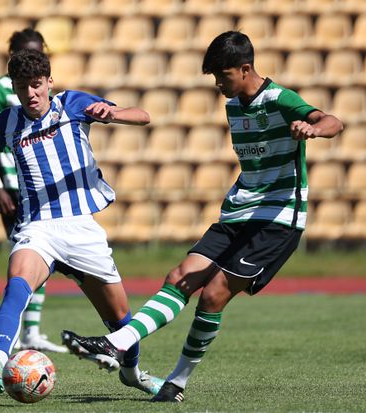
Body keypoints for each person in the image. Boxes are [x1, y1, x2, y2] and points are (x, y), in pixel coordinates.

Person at [61, 31, 344, 403]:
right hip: (238, 211)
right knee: (179, 277)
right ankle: (117, 343)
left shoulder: (279, 98)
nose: (218, 85)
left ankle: (176, 381)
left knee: (212, 296)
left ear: (245, 69)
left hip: (277, 217)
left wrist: (313, 129)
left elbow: (332, 121)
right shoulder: (233, 104)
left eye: (223, 76)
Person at [0, 49, 164, 396]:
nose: (30, 93)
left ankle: (133, 373)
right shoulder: (8, 121)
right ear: (14, 89)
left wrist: (113, 113)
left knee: (121, 319)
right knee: (17, 282)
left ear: (49, 82)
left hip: (80, 227)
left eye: (36, 85)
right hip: (37, 227)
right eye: (22, 87)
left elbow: (143, 116)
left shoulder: (73, 104)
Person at [0, 28, 65, 353]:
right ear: (11, 54)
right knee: (26, 254)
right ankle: (21, 325)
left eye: (38, 50)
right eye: (24, 51)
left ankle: (26, 327)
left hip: (40, 184)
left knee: (42, 254)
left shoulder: (45, 87)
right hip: (13, 186)